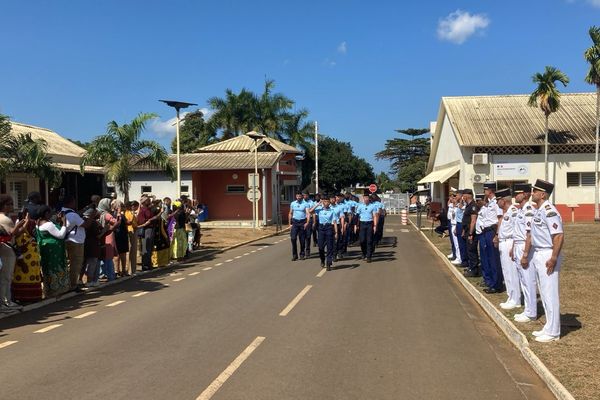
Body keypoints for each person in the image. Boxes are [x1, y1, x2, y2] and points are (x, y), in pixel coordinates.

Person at [521, 179, 564, 343]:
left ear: (543, 194)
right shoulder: (539, 210)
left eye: (535, 191)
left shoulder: (549, 211)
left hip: (547, 253)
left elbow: (558, 235)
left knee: (550, 292)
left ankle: (554, 331)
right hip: (539, 253)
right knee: (544, 293)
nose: (532, 193)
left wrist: (553, 257)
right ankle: (549, 326)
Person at [511, 183, 537, 323]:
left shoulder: (528, 210)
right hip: (518, 245)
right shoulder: (521, 210)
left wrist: (525, 254)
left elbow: (529, 234)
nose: (516, 195)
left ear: (526, 194)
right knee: (523, 280)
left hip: (524, 246)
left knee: (528, 280)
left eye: (518, 193)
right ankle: (527, 309)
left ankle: (531, 312)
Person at [12, 193, 44, 303]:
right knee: (23, 277)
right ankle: (23, 298)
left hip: (33, 263)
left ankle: (33, 297)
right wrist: (21, 260)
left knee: (33, 277)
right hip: (25, 261)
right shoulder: (21, 229)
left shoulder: (31, 227)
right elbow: (18, 246)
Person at [0, 195, 28, 310]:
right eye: (10, 204)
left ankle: (5, 301)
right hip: (7, 248)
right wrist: (24, 224)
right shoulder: (5, 219)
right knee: (6, 277)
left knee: (4, 277)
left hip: (4, 248)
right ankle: (6, 301)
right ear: (4, 205)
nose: (12, 206)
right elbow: (14, 233)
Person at [495, 188, 521, 310]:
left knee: (512, 272)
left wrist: (514, 246)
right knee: (506, 271)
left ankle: (516, 299)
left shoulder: (513, 211)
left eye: (497, 200)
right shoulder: (506, 212)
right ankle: (510, 296)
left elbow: (517, 230)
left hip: (510, 242)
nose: (496, 203)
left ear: (503, 200)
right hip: (503, 242)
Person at [36, 205, 70, 297]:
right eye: (50, 212)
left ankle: (48, 289)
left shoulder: (38, 222)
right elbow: (60, 235)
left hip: (46, 250)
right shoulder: (48, 224)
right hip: (54, 251)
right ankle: (56, 290)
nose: (52, 214)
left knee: (47, 268)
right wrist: (64, 223)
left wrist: (58, 222)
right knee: (55, 268)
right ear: (46, 213)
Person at [479, 182, 504, 294]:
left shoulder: (496, 203)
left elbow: (500, 219)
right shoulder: (488, 203)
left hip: (492, 231)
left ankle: (496, 284)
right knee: (487, 257)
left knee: (494, 259)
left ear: (490, 190)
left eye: (485, 190)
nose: (484, 192)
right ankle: (490, 281)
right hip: (485, 231)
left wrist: (497, 235)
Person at [62, 195, 88, 290]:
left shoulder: (62, 212)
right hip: (76, 241)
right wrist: (92, 215)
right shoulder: (73, 215)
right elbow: (86, 225)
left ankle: (67, 284)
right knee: (76, 264)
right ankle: (73, 285)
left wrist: (86, 208)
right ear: (70, 203)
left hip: (66, 240)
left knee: (68, 263)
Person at [98, 198, 120, 281]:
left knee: (102, 257)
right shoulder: (107, 214)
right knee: (109, 257)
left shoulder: (99, 213)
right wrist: (118, 213)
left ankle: (102, 274)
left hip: (101, 236)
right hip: (108, 236)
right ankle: (111, 275)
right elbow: (116, 222)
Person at [314, 195, 338, 271]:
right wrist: (318, 204)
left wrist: (336, 232)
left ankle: (328, 263)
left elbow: (334, 222)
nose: (326, 203)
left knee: (330, 247)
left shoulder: (332, 211)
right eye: (324, 201)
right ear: (323, 202)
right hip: (321, 228)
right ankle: (322, 259)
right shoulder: (319, 210)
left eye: (327, 201)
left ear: (329, 202)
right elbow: (310, 211)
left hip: (329, 228)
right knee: (320, 247)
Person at [461, 189, 480, 278]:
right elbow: (466, 220)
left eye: (463, 195)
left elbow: (473, 221)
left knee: (472, 251)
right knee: (469, 250)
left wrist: (471, 234)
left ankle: (474, 270)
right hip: (467, 230)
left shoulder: (473, 206)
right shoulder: (468, 206)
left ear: (468, 195)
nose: (463, 197)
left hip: (472, 232)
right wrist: (464, 231)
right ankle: (471, 267)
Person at [355, 191, 378, 263]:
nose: (366, 199)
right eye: (365, 198)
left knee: (369, 240)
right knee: (362, 241)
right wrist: (356, 225)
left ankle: (369, 256)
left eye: (367, 197)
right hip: (362, 224)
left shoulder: (372, 206)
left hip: (369, 224)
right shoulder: (360, 206)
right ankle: (364, 253)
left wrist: (375, 225)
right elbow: (357, 216)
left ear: (369, 198)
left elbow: (374, 216)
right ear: (363, 198)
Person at [288, 191, 309, 261]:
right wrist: (290, 224)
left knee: (302, 239)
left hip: (302, 222)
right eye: (297, 196)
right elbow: (290, 213)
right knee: (293, 238)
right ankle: (295, 255)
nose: (298, 197)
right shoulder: (293, 203)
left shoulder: (305, 204)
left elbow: (308, 213)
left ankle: (302, 254)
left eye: (299, 196)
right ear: (296, 196)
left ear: (302, 196)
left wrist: (307, 222)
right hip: (295, 222)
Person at [137, 196, 156, 271]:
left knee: (149, 247)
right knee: (146, 246)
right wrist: (151, 219)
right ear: (144, 202)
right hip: (146, 229)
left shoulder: (148, 209)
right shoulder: (143, 210)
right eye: (148, 200)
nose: (149, 201)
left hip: (150, 229)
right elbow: (141, 221)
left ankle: (148, 263)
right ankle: (145, 264)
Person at [112, 200, 129, 277]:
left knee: (120, 253)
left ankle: (119, 270)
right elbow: (126, 222)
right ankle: (120, 270)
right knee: (120, 254)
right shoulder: (117, 215)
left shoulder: (116, 214)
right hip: (119, 235)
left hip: (119, 235)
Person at [453, 190, 468, 267]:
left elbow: (464, 215)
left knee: (463, 244)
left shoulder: (463, 204)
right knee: (460, 243)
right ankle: (463, 259)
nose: (455, 197)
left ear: (460, 195)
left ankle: (465, 261)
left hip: (462, 224)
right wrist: (456, 227)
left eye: (456, 196)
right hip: (458, 224)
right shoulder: (459, 204)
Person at [124, 201, 139, 274]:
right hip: (131, 232)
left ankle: (133, 269)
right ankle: (130, 270)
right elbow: (129, 222)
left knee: (133, 252)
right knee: (131, 252)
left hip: (133, 231)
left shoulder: (130, 213)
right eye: (131, 206)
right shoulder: (127, 213)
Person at [302, 192, 315, 258]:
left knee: (308, 236)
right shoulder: (301, 202)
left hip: (309, 220)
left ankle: (307, 251)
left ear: (308, 196)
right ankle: (302, 251)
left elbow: (312, 212)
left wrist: (313, 222)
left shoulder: (311, 202)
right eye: (304, 195)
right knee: (302, 237)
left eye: (306, 195)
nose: (305, 196)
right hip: (302, 220)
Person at [446, 193, 457, 260]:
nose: (451, 198)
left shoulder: (455, 205)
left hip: (454, 223)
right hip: (450, 221)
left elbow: (454, 204)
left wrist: (453, 199)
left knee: (455, 240)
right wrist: (450, 198)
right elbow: (448, 203)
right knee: (452, 240)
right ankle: (453, 252)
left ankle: (455, 254)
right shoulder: (450, 204)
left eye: (452, 197)